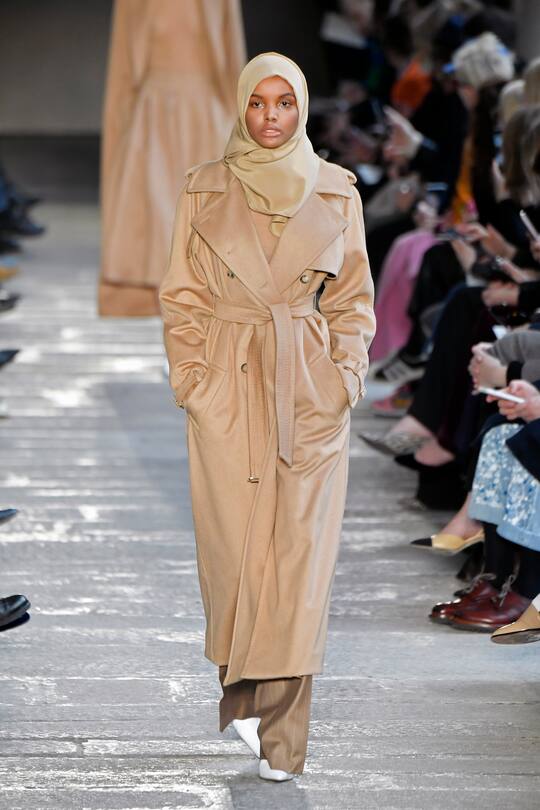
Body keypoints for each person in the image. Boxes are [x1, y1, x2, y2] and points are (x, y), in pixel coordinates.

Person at [159, 52, 375, 781]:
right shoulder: (205, 187)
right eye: (260, 103)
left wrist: (343, 378)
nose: (272, 116)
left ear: (302, 108)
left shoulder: (337, 192)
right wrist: (193, 379)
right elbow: (181, 295)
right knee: (233, 558)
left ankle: (285, 736)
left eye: (285, 103)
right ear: (244, 108)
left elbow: (353, 301)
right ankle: (243, 692)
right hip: (226, 378)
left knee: (298, 568)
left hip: (307, 385)